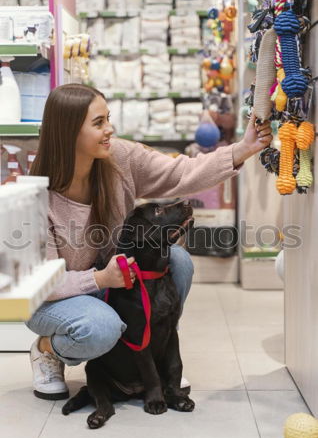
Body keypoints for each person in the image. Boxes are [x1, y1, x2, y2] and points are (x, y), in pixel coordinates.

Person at [27, 83, 272, 400]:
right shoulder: (37, 197)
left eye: (108, 119)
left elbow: (179, 173)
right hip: (51, 299)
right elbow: (44, 282)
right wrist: (101, 278)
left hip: (106, 278)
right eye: (98, 123)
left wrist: (242, 149)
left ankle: (154, 350)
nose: (110, 130)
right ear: (68, 131)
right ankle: (46, 349)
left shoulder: (120, 158)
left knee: (177, 261)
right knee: (100, 328)